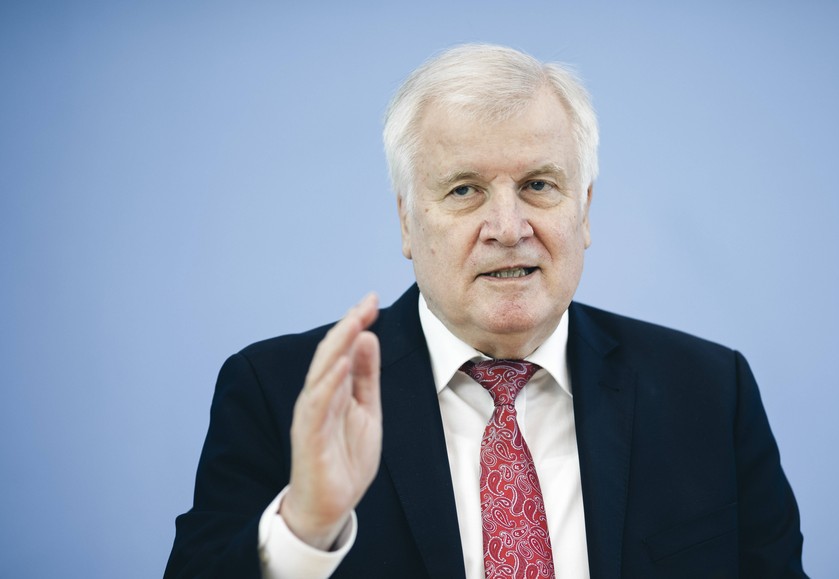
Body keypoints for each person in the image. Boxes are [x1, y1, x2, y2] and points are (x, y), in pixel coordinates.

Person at [166, 44, 806, 578]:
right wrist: (306, 525)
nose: (508, 227)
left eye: (538, 185)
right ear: (407, 223)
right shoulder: (283, 393)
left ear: (584, 209)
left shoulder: (710, 391)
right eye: (465, 190)